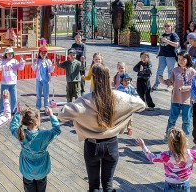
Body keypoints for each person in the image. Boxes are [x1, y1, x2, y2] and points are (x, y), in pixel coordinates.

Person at [59, 63, 146, 192]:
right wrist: (120, 119)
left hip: (92, 145)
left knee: (94, 186)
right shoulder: (118, 97)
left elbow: (62, 115)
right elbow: (141, 105)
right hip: (111, 143)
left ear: (93, 79)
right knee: (108, 185)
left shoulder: (85, 100)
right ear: (109, 79)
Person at [136, 127, 196, 192]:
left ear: (170, 143)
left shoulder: (165, 155)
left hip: (170, 184)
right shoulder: (191, 154)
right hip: (185, 183)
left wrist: (143, 147)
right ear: (184, 141)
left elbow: (152, 158)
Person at [10, 103, 61, 192]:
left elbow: (13, 127)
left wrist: (18, 114)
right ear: (36, 122)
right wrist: (51, 115)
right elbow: (57, 129)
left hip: (27, 171)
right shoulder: (45, 135)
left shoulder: (21, 134)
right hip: (42, 171)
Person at [159, 51, 196, 141]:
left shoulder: (192, 71)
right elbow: (171, 81)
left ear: (188, 59)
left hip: (187, 100)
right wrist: (163, 81)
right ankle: (168, 136)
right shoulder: (175, 70)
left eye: (183, 59)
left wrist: (186, 88)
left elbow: (195, 86)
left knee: (186, 120)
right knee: (172, 119)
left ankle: (184, 138)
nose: (181, 61)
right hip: (175, 98)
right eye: (179, 59)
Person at [0, 47, 25, 115]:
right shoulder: (3, 61)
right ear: (5, 54)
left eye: (11, 53)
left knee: (14, 97)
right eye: (8, 54)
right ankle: (1, 110)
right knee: (3, 96)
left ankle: (13, 110)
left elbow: (21, 67)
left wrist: (21, 60)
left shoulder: (15, 61)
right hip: (4, 82)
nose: (10, 55)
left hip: (13, 82)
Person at [153, 23, 180, 90]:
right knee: (160, 70)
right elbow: (161, 44)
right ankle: (156, 83)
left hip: (170, 55)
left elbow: (176, 44)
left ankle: (170, 84)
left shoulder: (174, 35)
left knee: (170, 71)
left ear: (171, 27)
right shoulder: (163, 35)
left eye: (168, 26)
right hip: (162, 54)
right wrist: (158, 53)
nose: (167, 27)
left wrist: (167, 41)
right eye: (165, 26)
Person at [31, 47, 55, 112]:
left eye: (45, 53)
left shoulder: (48, 61)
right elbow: (34, 69)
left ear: (47, 53)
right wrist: (34, 63)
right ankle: (38, 106)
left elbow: (51, 70)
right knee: (38, 94)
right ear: (39, 53)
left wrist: (52, 65)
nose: (44, 54)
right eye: (42, 53)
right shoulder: (37, 60)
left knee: (46, 94)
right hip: (39, 79)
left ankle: (46, 106)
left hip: (46, 80)